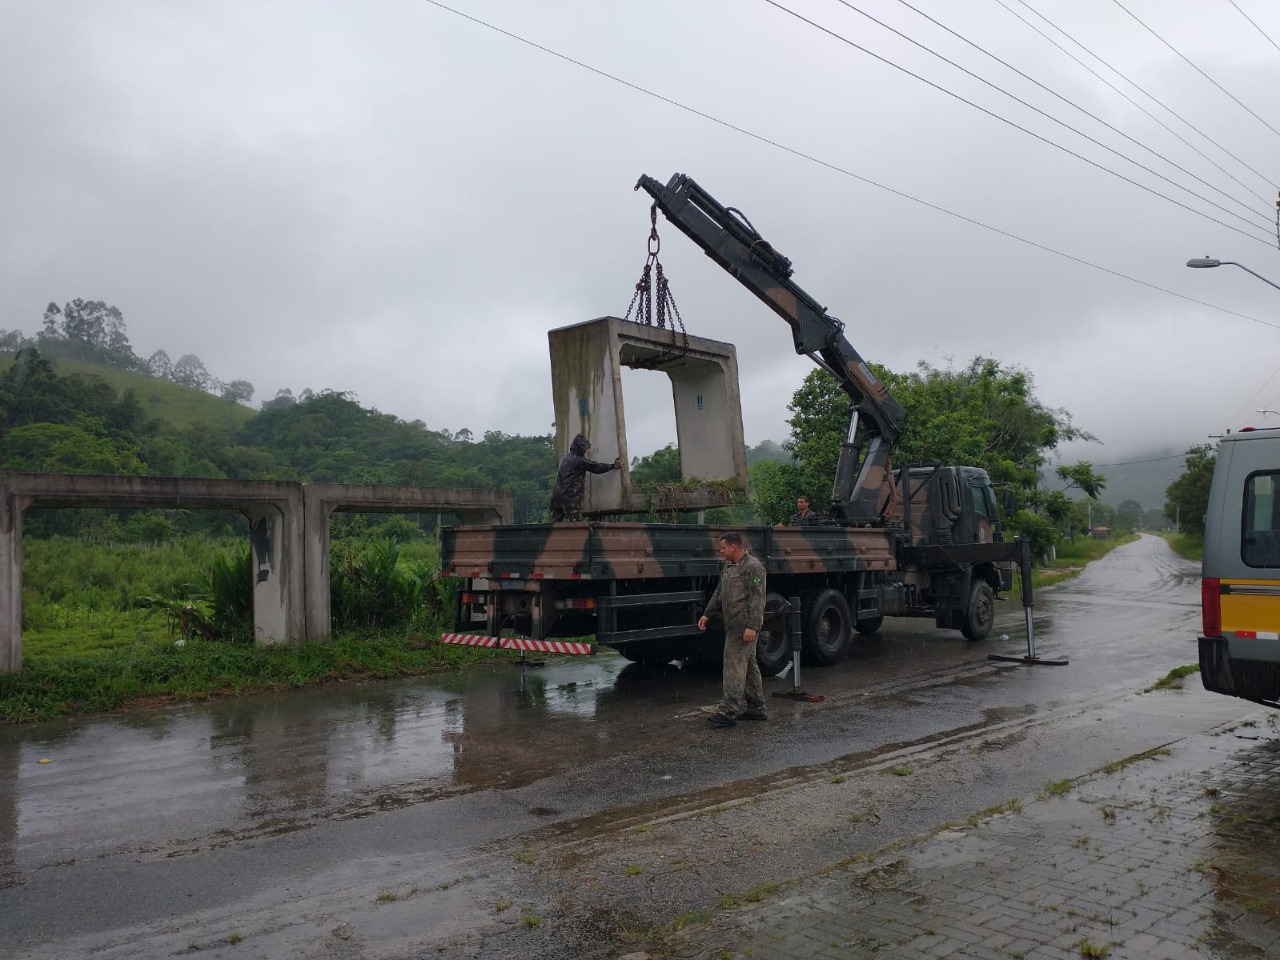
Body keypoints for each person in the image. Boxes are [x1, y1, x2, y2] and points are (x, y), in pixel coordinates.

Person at [697, 532, 768, 727]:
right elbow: (719, 592)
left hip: (744, 624)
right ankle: (757, 708)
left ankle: (728, 712)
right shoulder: (728, 566)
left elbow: (758, 599)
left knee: (733, 664)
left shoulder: (753, 567)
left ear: (734, 547)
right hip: (732, 623)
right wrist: (707, 614)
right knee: (749, 665)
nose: (721, 551)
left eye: (723, 548)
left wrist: (752, 626)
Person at [548, 434, 621, 522]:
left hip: (556, 499)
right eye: (585, 448)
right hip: (570, 499)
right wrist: (613, 466)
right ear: (581, 448)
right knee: (577, 526)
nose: (586, 451)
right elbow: (596, 467)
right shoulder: (578, 460)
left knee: (554, 525)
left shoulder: (563, 459)